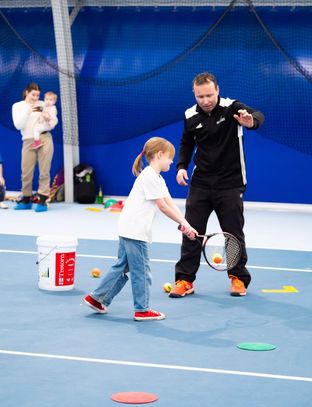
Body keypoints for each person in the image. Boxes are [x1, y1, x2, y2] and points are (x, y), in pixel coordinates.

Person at [170, 72, 265, 298]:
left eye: (209, 95)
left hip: (230, 183)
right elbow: (186, 143)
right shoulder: (190, 115)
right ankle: (185, 280)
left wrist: (250, 121)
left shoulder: (232, 107)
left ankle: (238, 278)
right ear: (194, 94)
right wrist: (181, 166)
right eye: (200, 96)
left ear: (217, 90)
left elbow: (258, 115)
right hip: (201, 183)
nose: (205, 101)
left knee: (232, 233)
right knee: (191, 232)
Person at [83, 137, 197, 321]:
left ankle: (97, 299)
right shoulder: (150, 177)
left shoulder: (157, 178)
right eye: (170, 157)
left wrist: (187, 224)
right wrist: (183, 225)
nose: (171, 162)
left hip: (128, 228)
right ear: (159, 155)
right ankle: (142, 310)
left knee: (122, 266)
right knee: (141, 271)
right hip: (135, 231)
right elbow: (163, 206)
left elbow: (169, 202)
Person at [11, 83, 55, 213]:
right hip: (28, 140)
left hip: (44, 138)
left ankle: (42, 200)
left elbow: (53, 119)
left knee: (44, 171)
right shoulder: (17, 106)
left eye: (38, 95)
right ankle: (26, 200)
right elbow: (18, 125)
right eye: (33, 94)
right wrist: (28, 111)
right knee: (26, 172)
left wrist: (49, 119)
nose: (35, 98)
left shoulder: (43, 104)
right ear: (26, 92)